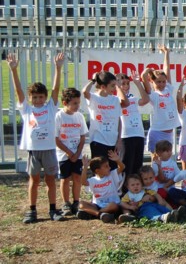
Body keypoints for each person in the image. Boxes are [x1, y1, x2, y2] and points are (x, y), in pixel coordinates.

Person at [7, 52, 65, 223]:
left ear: (45, 98)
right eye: (35, 97)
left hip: (48, 150)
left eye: (41, 97)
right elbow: (18, 91)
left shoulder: (51, 108)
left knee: (50, 180)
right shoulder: (27, 109)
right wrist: (13, 70)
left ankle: (53, 209)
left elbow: (55, 89)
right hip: (34, 151)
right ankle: (32, 210)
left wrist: (58, 68)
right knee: (34, 179)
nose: (38, 100)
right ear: (30, 98)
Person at [83, 70, 129, 170]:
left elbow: (125, 104)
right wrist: (93, 79)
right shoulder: (94, 98)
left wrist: (119, 140)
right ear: (103, 87)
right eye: (112, 86)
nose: (114, 88)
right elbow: (84, 92)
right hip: (98, 140)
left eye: (115, 85)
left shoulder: (114, 99)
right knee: (100, 169)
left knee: (112, 170)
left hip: (112, 141)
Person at [55, 87, 88, 216]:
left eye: (78, 103)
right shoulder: (59, 116)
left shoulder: (79, 116)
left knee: (77, 177)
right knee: (65, 179)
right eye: (74, 103)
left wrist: (77, 153)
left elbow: (83, 137)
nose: (77, 106)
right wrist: (69, 153)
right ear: (65, 103)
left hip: (77, 155)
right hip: (63, 155)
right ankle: (66, 203)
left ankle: (76, 202)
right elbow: (56, 139)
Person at [141, 45, 180, 152]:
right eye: (158, 82)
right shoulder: (153, 95)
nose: (162, 84)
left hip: (169, 134)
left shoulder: (168, 89)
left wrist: (166, 53)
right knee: (156, 161)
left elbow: (167, 70)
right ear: (152, 82)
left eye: (163, 81)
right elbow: (145, 81)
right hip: (157, 132)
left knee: (166, 161)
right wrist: (145, 73)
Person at [116, 71, 149, 176]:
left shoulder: (133, 98)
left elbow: (145, 100)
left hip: (138, 134)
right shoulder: (114, 99)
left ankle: (136, 190)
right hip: (125, 136)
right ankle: (124, 190)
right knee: (126, 165)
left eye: (127, 83)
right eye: (123, 83)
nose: (126, 86)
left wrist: (138, 83)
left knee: (137, 165)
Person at [77, 151, 125, 223]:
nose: (109, 167)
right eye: (106, 166)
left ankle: (93, 214)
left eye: (108, 165)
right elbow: (83, 182)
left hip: (111, 205)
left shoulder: (112, 175)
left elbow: (122, 167)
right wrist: (85, 168)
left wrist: (117, 160)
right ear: (97, 170)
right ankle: (100, 215)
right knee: (81, 204)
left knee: (113, 205)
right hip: (97, 204)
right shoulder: (93, 180)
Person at [118, 174, 184, 224]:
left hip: (152, 204)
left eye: (138, 184)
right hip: (141, 208)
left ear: (141, 184)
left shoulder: (145, 190)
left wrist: (160, 200)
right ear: (128, 187)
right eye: (132, 185)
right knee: (151, 211)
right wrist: (130, 207)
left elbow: (155, 193)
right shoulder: (128, 195)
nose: (136, 186)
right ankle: (162, 217)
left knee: (160, 207)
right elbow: (122, 203)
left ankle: (174, 214)